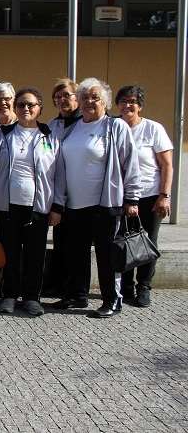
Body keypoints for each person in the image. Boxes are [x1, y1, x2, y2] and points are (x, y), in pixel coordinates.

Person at [53, 78, 140, 318]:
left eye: (95, 97)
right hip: (74, 204)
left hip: (105, 204)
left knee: (106, 255)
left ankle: (112, 300)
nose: (89, 101)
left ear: (105, 102)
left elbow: (129, 164)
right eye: (85, 97)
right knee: (75, 252)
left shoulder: (115, 127)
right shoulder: (72, 128)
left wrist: (132, 199)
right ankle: (77, 296)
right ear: (78, 101)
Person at [0, 88, 62, 316]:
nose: (26, 109)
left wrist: (57, 206)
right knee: (10, 253)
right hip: (7, 206)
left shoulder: (49, 136)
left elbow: (59, 175)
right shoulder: (3, 135)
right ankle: (9, 295)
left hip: (38, 206)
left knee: (35, 254)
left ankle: (31, 297)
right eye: (21, 105)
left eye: (31, 105)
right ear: (15, 108)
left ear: (39, 108)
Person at [116, 85, 173, 308]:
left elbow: (167, 165)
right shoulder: (115, 127)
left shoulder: (153, 129)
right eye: (123, 101)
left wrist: (164, 195)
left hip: (149, 195)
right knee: (124, 241)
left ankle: (144, 287)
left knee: (147, 241)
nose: (128, 105)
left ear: (140, 106)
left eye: (132, 101)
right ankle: (126, 286)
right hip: (121, 195)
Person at [46, 78, 81, 296]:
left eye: (66, 95)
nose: (62, 100)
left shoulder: (85, 123)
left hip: (80, 195)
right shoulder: (52, 125)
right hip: (58, 195)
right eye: (57, 97)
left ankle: (76, 289)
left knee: (77, 245)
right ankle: (60, 285)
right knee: (59, 242)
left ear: (77, 97)